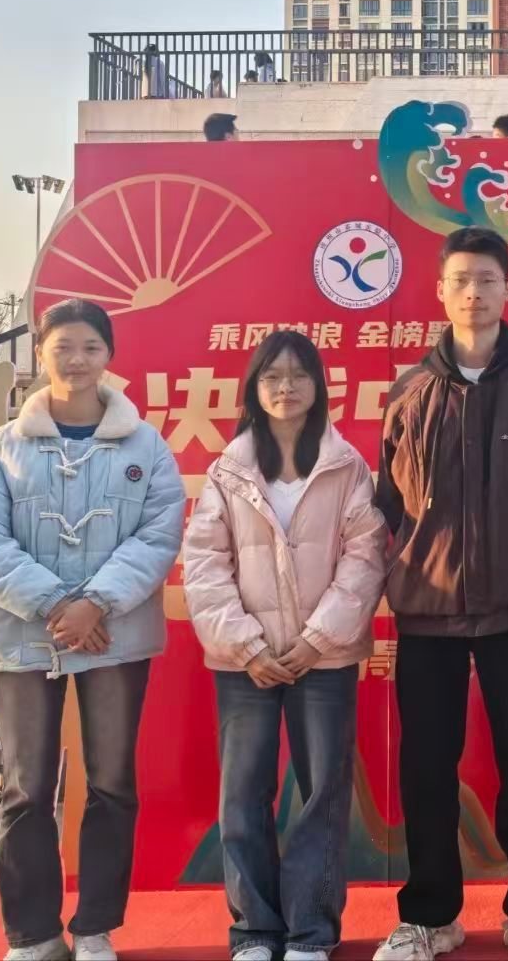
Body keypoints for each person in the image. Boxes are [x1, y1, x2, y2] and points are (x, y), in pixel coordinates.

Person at [373, 227, 508, 961]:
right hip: (427, 610)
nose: (474, 292)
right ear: (440, 291)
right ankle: (431, 916)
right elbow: (387, 502)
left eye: (487, 279)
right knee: (427, 766)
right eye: (460, 279)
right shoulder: (409, 391)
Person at [0, 299, 184, 961]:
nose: (77, 360)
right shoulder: (5, 446)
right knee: (26, 787)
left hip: (115, 637)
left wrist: (97, 603)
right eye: (63, 347)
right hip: (21, 636)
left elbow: (159, 533)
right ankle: (33, 935)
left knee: (111, 781)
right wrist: (59, 603)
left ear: (109, 355)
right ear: (41, 353)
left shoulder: (146, 446)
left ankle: (94, 928)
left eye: (90, 347)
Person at [183, 331, 388, 961]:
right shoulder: (229, 470)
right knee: (243, 794)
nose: (286, 387)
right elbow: (203, 565)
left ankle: (310, 932)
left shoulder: (347, 467)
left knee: (323, 793)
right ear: (254, 388)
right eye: (272, 376)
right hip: (245, 664)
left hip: (323, 659)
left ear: (319, 386)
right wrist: (246, 646)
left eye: (299, 375)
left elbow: (365, 559)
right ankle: (254, 931)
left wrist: (318, 638)